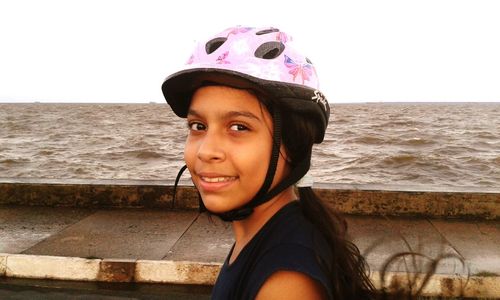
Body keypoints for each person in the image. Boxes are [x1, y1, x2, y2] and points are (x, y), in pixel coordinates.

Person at [162, 26, 375, 299]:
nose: (205, 151)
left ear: (294, 144)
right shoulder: (269, 234)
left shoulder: (286, 284)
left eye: (238, 127)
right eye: (198, 125)